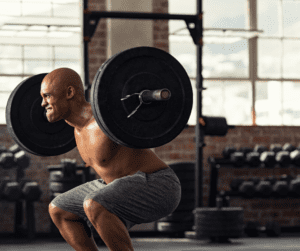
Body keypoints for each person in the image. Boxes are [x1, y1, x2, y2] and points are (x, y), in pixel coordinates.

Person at [41, 67, 182, 251]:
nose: (43, 104)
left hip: (158, 184)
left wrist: (150, 98)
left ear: (69, 92)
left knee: (94, 203)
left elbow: (136, 116)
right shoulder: (77, 130)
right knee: (59, 209)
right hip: (114, 184)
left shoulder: (107, 119)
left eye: (47, 96)